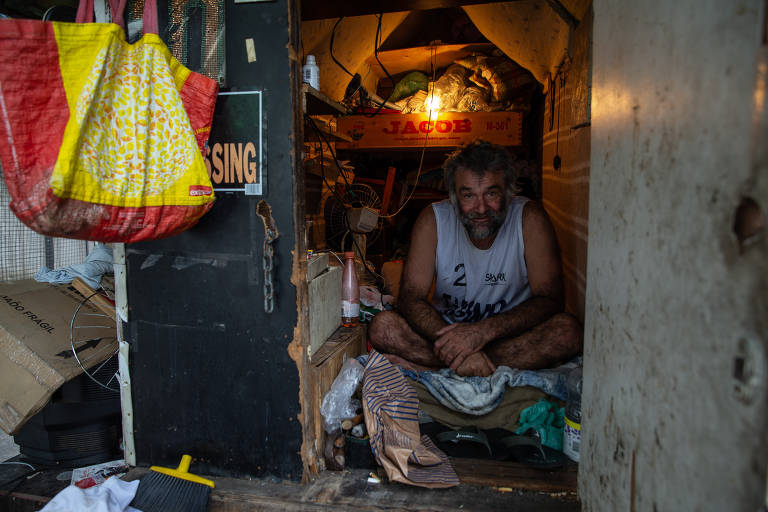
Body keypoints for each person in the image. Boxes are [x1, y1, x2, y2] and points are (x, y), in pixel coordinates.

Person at [368, 140, 582, 377]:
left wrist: (482, 332)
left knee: (567, 332)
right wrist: (457, 345)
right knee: (383, 327)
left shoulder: (529, 219)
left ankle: (435, 367)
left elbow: (551, 299)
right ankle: (471, 365)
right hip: (444, 336)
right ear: (453, 196)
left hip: (509, 337)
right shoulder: (433, 220)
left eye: (491, 193)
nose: (480, 208)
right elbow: (410, 298)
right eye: (468, 195)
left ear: (509, 192)